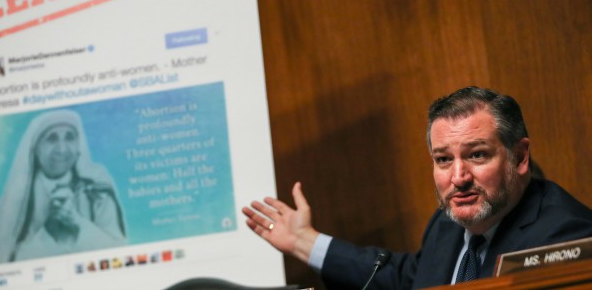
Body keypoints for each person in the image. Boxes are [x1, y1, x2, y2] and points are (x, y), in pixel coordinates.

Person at [243, 86, 592, 289]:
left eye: (477, 155)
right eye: (443, 159)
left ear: (519, 156)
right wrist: (305, 242)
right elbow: (406, 279)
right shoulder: (448, 223)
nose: (458, 177)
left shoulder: (565, 235)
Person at [0, 109, 127, 263]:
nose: (62, 149)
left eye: (69, 138)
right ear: (36, 149)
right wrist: (48, 231)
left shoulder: (97, 190)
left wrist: (77, 223)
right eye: (52, 139)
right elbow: (9, 261)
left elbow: (121, 252)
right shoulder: (21, 197)